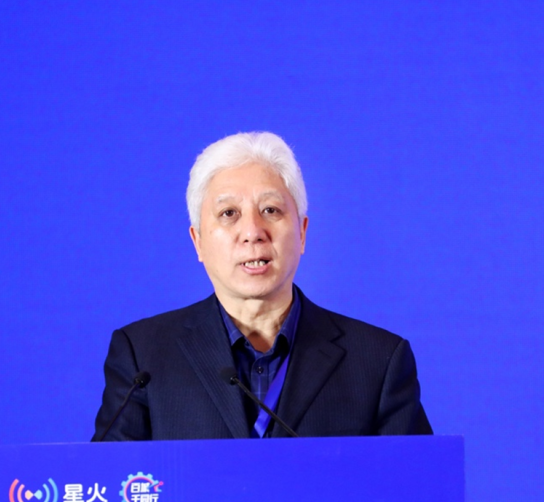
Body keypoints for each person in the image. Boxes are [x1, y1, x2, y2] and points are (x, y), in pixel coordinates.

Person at [92, 131, 432, 440]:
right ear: (198, 241)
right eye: (228, 213)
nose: (253, 232)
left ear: (302, 232)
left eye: (270, 210)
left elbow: (417, 484)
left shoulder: (377, 361)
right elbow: (108, 481)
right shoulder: (144, 358)